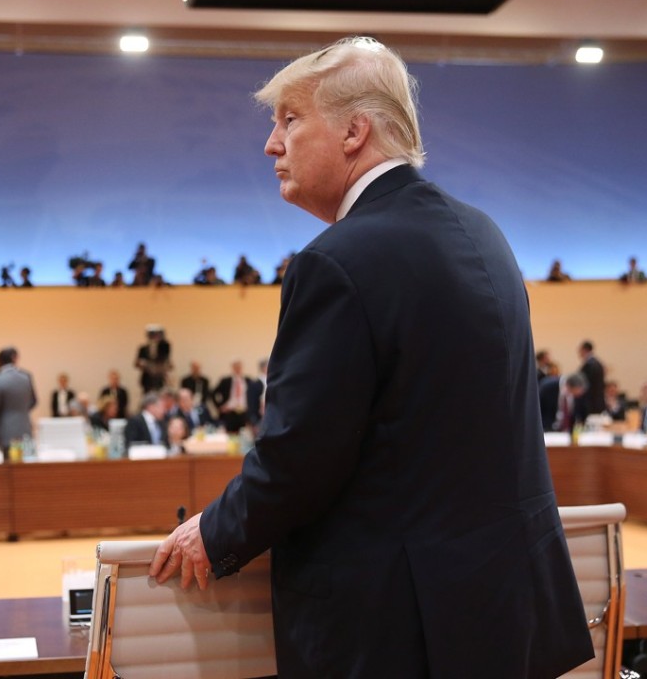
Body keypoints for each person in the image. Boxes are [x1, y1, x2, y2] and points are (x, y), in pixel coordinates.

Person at [148, 37, 591, 678]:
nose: (272, 144)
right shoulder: (486, 235)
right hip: (502, 611)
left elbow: (302, 455)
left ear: (355, 131)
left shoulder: (336, 262)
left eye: (290, 120)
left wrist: (214, 531)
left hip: (395, 629)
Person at [0, 347, 37, 450]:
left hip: (5, 432)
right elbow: (33, 401)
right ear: (14, 359)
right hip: (26, 428)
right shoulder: (26, 377)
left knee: (7, 464)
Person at [210, 360, 254, 432]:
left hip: (244, 412)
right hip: (230, 412)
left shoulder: (248, 380)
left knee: (244, 434)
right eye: (236, 367)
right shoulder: (226, 381)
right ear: (232, 368)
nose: (238, 369)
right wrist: (219, 406)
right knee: (230, 433)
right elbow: (213, 393)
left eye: (239, 367)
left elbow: (253, 395)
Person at [134, 325, 172, 394]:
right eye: (153, 334)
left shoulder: (164, 348)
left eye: (158, 335)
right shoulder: (142, 348)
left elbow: (168, 363)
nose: (155, 337)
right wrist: (144, 364)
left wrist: (164, 367)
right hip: (147, 380)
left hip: (160, 379)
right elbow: (136, 363)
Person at [577, 340, 606, 415]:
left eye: (580, 350)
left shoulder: (590, 364)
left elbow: (584, 384)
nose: (579, 353)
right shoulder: (597, 363)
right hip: (597, 401)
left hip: (591, 402)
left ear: (585, 350)